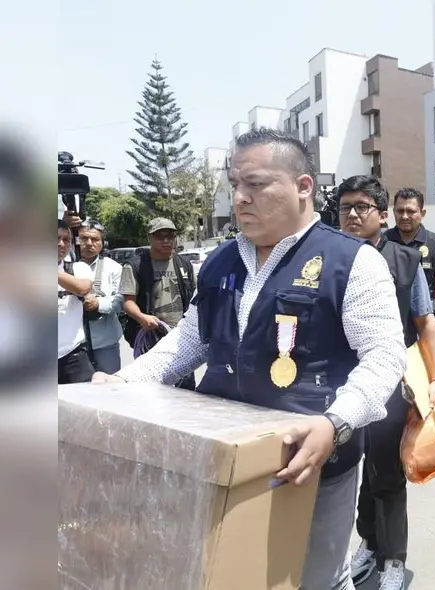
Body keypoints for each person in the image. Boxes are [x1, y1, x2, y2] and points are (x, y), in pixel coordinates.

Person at [93, 128, 408, 590]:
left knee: (310, 579)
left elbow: (383, 356)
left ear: (304, 187)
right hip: (224, 462)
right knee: (226, 576)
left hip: (311, 466)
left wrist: (336, 423)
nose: (240, 198)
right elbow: (190, 342)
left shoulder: (352, 262)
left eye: (256, 184)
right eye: (235, 184)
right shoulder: (220, 262)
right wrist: (125, 383)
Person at [335, 175, 435, 590]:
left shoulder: (405, 260)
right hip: (339, 384)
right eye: (345, 207)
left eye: (362, 206)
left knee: (386, 473)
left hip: (389, 382)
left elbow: (424, 323)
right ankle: (369, 541)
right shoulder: (330, 257)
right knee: (354, 469)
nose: (352, 214)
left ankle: (393, 560)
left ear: (382, 215)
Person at [120, 217, 197, 387]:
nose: (166, 241)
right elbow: (127, 303)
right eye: (160, 236)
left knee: (185, 387)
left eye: (170, 236)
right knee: (152, 386)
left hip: (180, 336)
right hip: (150, 335)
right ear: (150, 238)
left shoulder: (184, 264)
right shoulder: (135, 265)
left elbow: (193, 299)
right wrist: (142, 317)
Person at [384, 188, 435, 355]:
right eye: (400, 211)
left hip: (424, 322)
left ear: (422, 213)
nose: (405, 216)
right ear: (393, 212)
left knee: (425, 377)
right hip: (391, 324)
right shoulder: (384, 241)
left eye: (411, 211)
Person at [76, 220, 125, 374]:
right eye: (84, 238)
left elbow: (121, 299)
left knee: (108, 388)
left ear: (103, 243)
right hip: (72, 345)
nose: (89, 243)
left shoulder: (114, 268)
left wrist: (98, 304)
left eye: (95, 239)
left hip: (104, 342)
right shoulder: (64, 266)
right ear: (75, 240)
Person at [58, 219, 95, 384]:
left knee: (82, 407)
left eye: (66, 240)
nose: (61, 244)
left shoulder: (78, 268)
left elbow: (82, 288)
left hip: (72, 355)